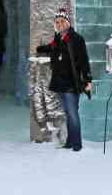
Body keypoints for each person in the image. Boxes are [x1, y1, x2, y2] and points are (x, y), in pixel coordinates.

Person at [36, 8, 93, 151]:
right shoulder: (58, 38)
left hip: (71, 83)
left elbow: (84, 61)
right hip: (59, 83)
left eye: (62, 21)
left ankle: (77, 145)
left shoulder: (77, 39)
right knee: (68, 113)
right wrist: (40, 48)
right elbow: (52, 48)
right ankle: (70, 142)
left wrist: (88, 80)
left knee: (73, 114)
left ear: (68, 22)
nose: (60, 24)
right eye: (57, 22)